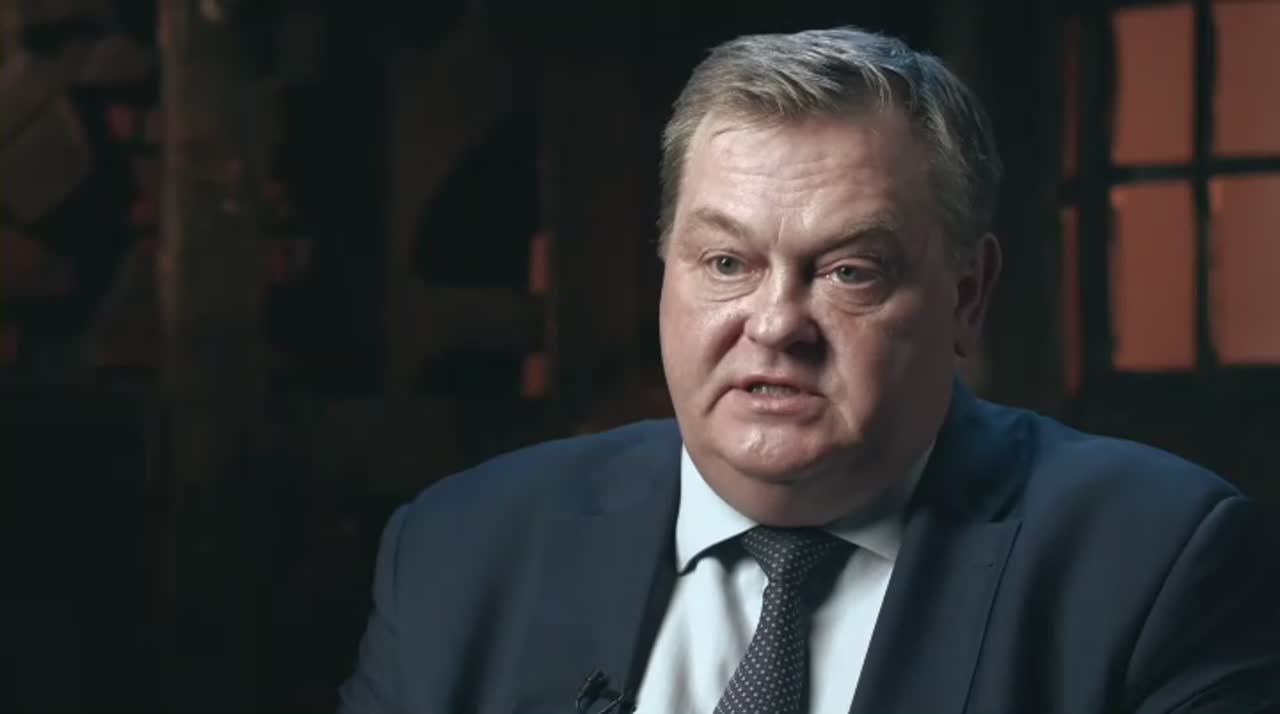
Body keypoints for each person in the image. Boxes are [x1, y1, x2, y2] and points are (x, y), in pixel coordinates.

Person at [338, 27, 1279, 714]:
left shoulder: (1156, 564)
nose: (777, 323)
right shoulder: (459, 553)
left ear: (967, 296)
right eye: (726, 263)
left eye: (849, 271)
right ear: (664, 272)